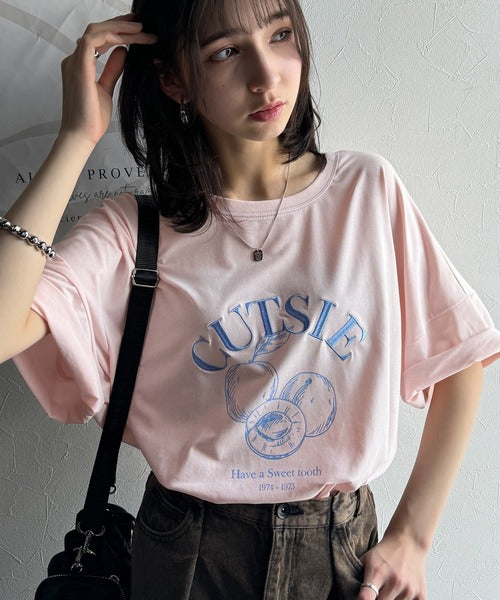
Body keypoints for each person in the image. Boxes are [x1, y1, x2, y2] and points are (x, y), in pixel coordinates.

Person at [0, 0, 499, 598]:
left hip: (340, 550)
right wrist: (76, 139)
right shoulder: (135, 231)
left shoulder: (365, 192)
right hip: (189, 551)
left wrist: (413, 537)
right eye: (226, 52)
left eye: (280, 34)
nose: (266, 76)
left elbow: (460, 357)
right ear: (174, 79)